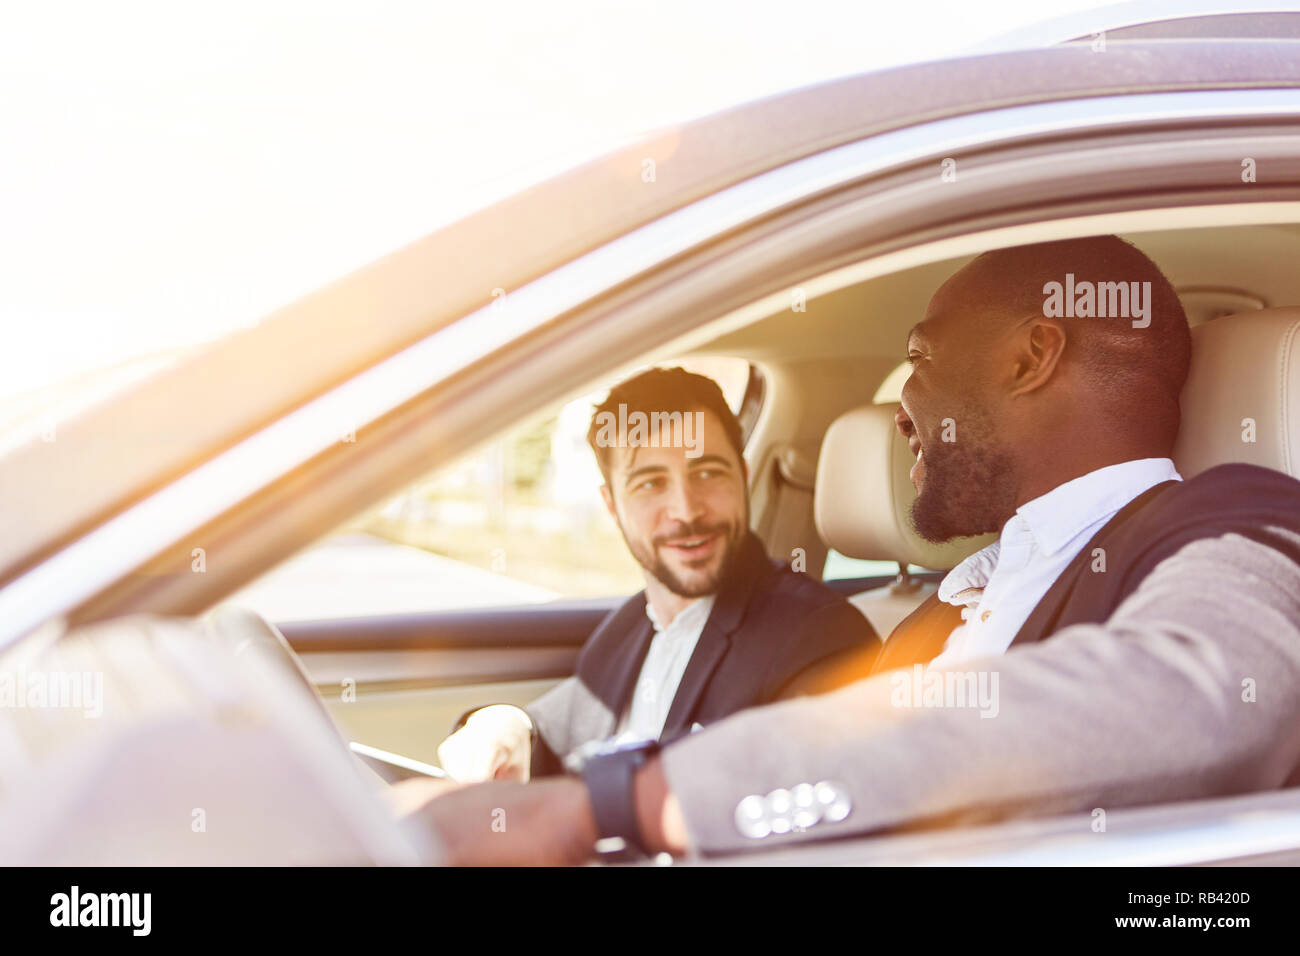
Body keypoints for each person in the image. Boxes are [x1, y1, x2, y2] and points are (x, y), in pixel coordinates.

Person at [399, 236, 1300, 864]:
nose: (900, 404)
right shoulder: (949, 604)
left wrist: (620, 806)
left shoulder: (1235, 520)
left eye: (919, 358)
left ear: (1031, 358)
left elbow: (1187, 701)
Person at [435, 367, 879, 783]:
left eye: (708, 473)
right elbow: (557, 726)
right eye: (650, 483)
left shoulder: (818, 636)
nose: (686, 510)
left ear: (742, 477)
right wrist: (505, 724)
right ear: (612, 505)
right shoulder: (631, 626)